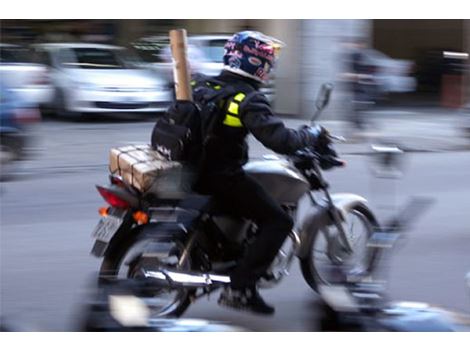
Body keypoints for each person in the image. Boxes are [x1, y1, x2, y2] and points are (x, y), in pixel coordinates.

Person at [192, 31, 331, 315]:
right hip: (222, 177)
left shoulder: (203, 85)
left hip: (191, 172)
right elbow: (280, 140)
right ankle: (239, 288)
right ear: (255, 62)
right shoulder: (247, 97)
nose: (271, 66)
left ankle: (234, 258)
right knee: (278, 221)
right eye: (268, 60)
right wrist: (310, 134)